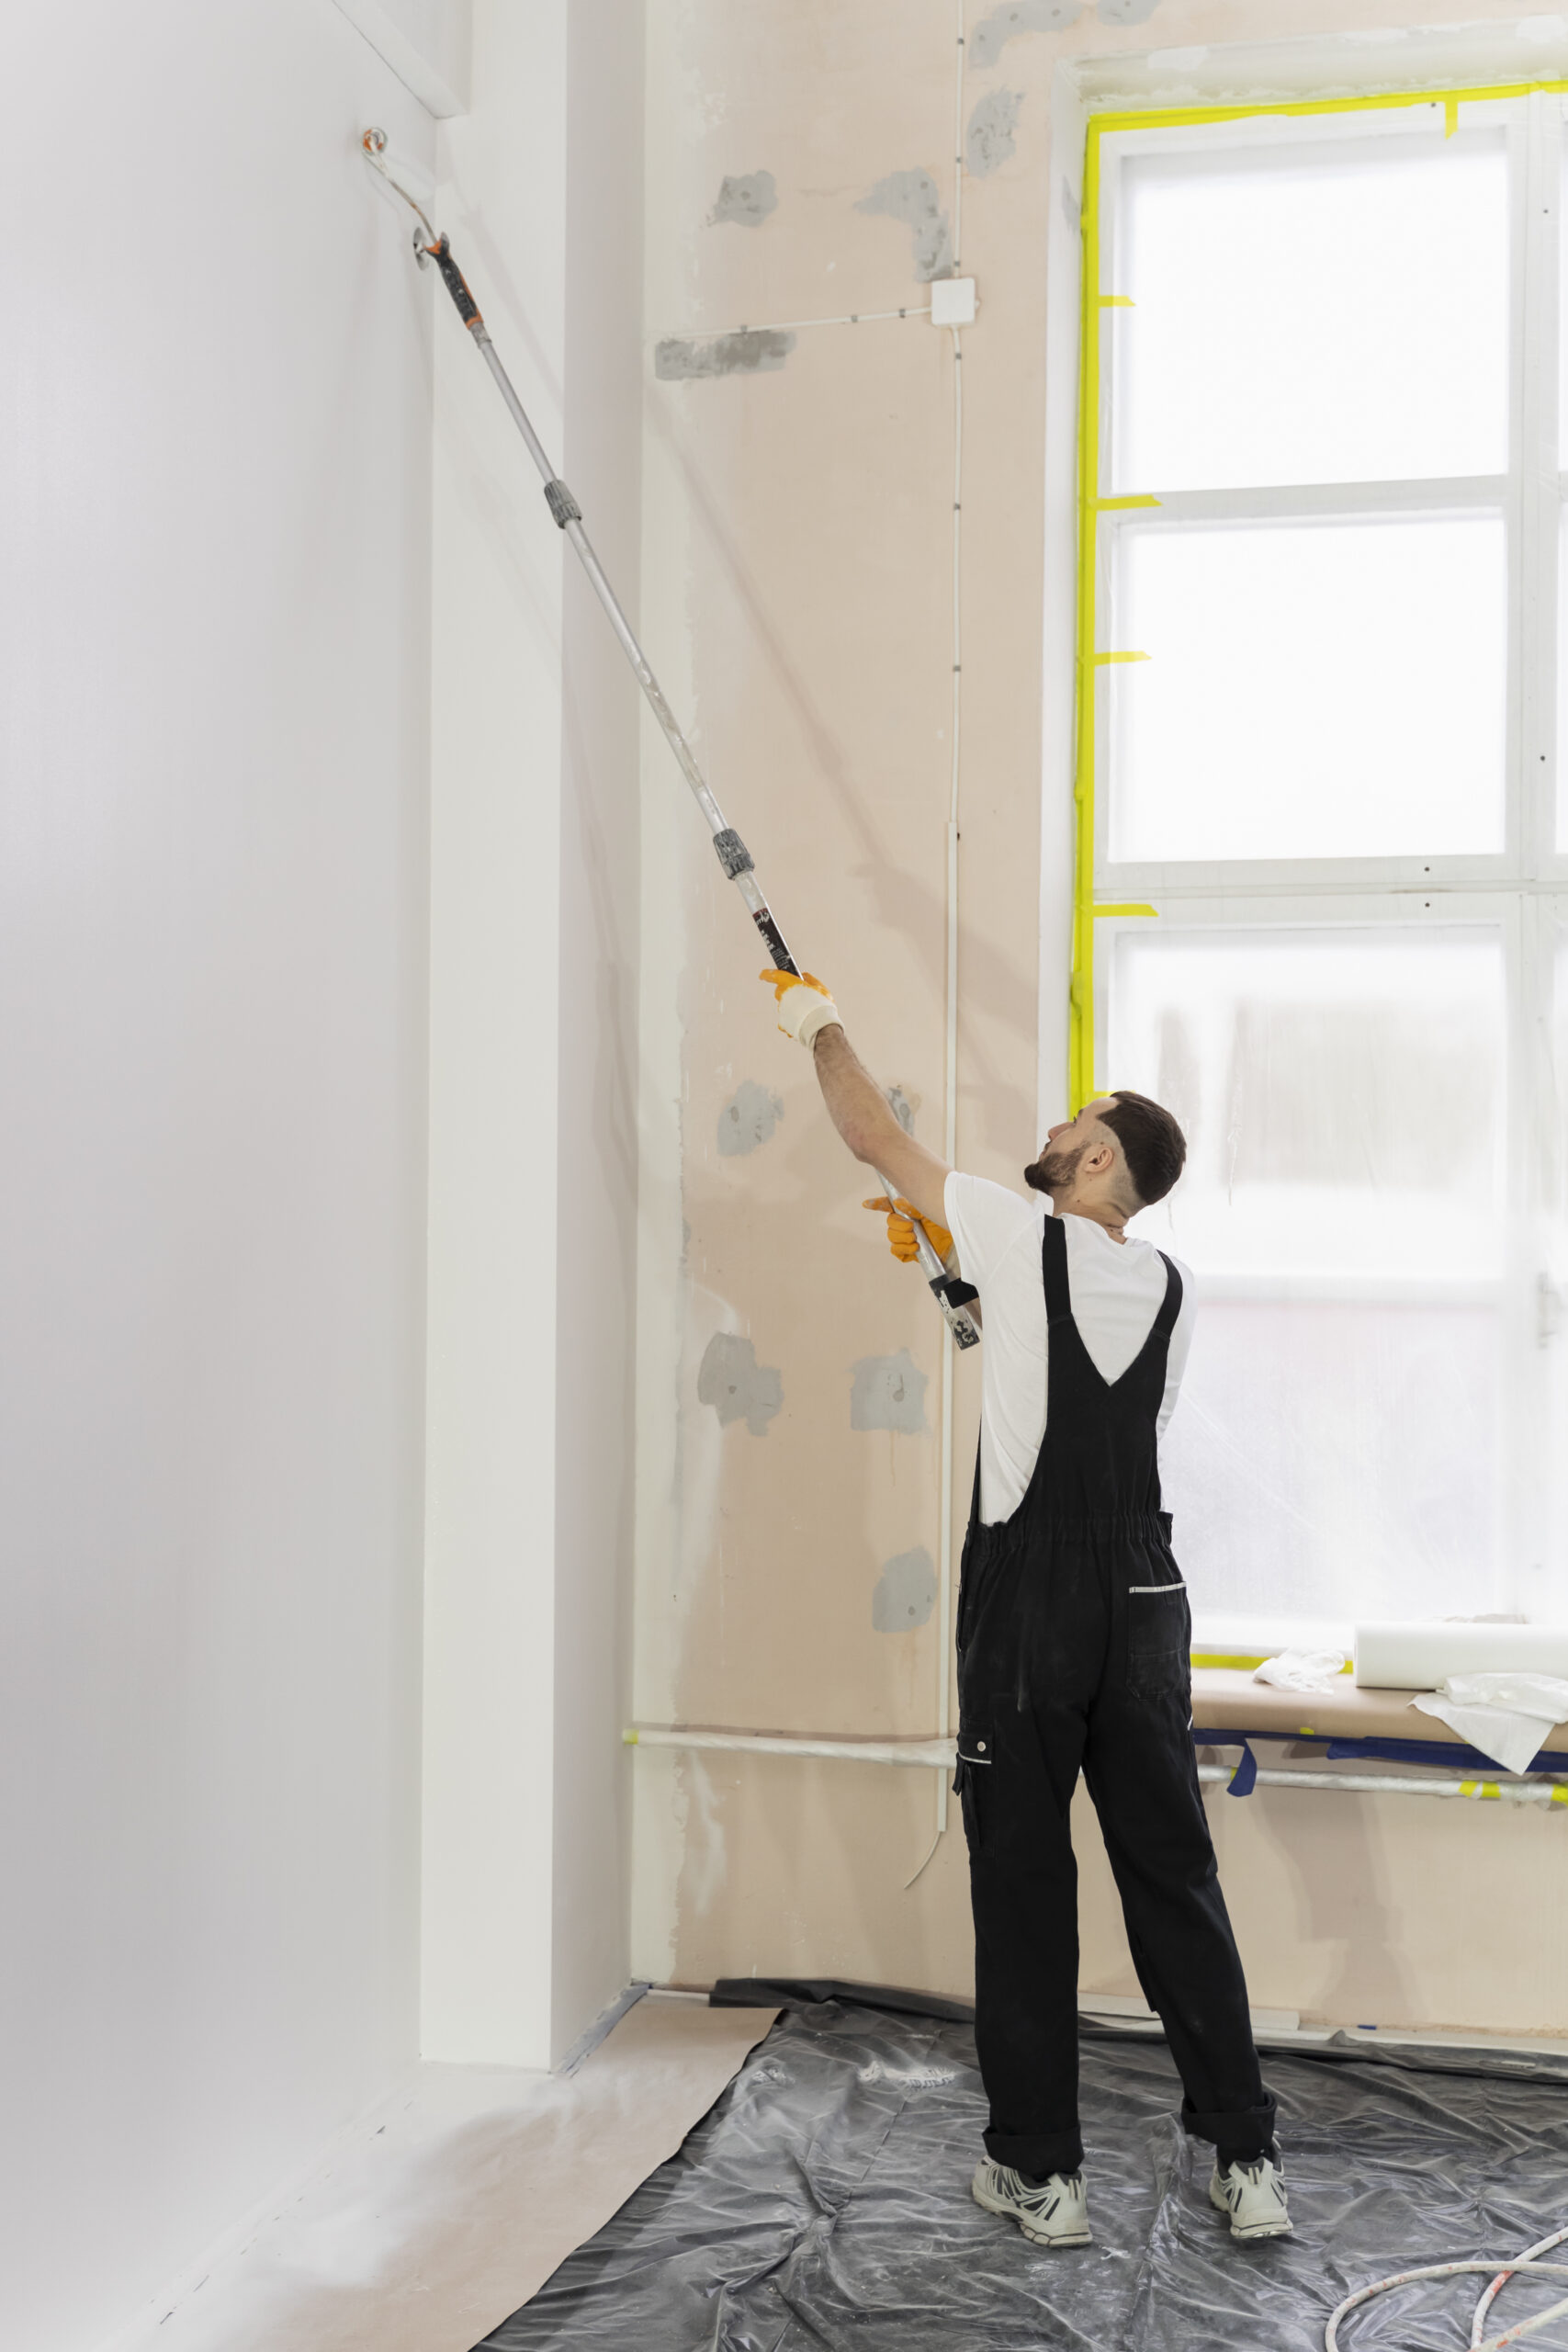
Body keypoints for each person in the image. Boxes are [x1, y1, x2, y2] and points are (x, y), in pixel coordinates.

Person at [761, 963, 1291, 2249]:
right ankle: (1246, 2158)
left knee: (1024, 1880)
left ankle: (1041, 2176)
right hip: (1148, 1598)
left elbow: (873, 1137)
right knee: (1173, 1877)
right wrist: (965, 1274)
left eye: (1070, 1127)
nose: (1049, 1135)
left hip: (1035, 1603)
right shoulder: (1168, 1282)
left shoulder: (1013, 1227)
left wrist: (818, 1021)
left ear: (1097, 1153)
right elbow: (1087, 1383)